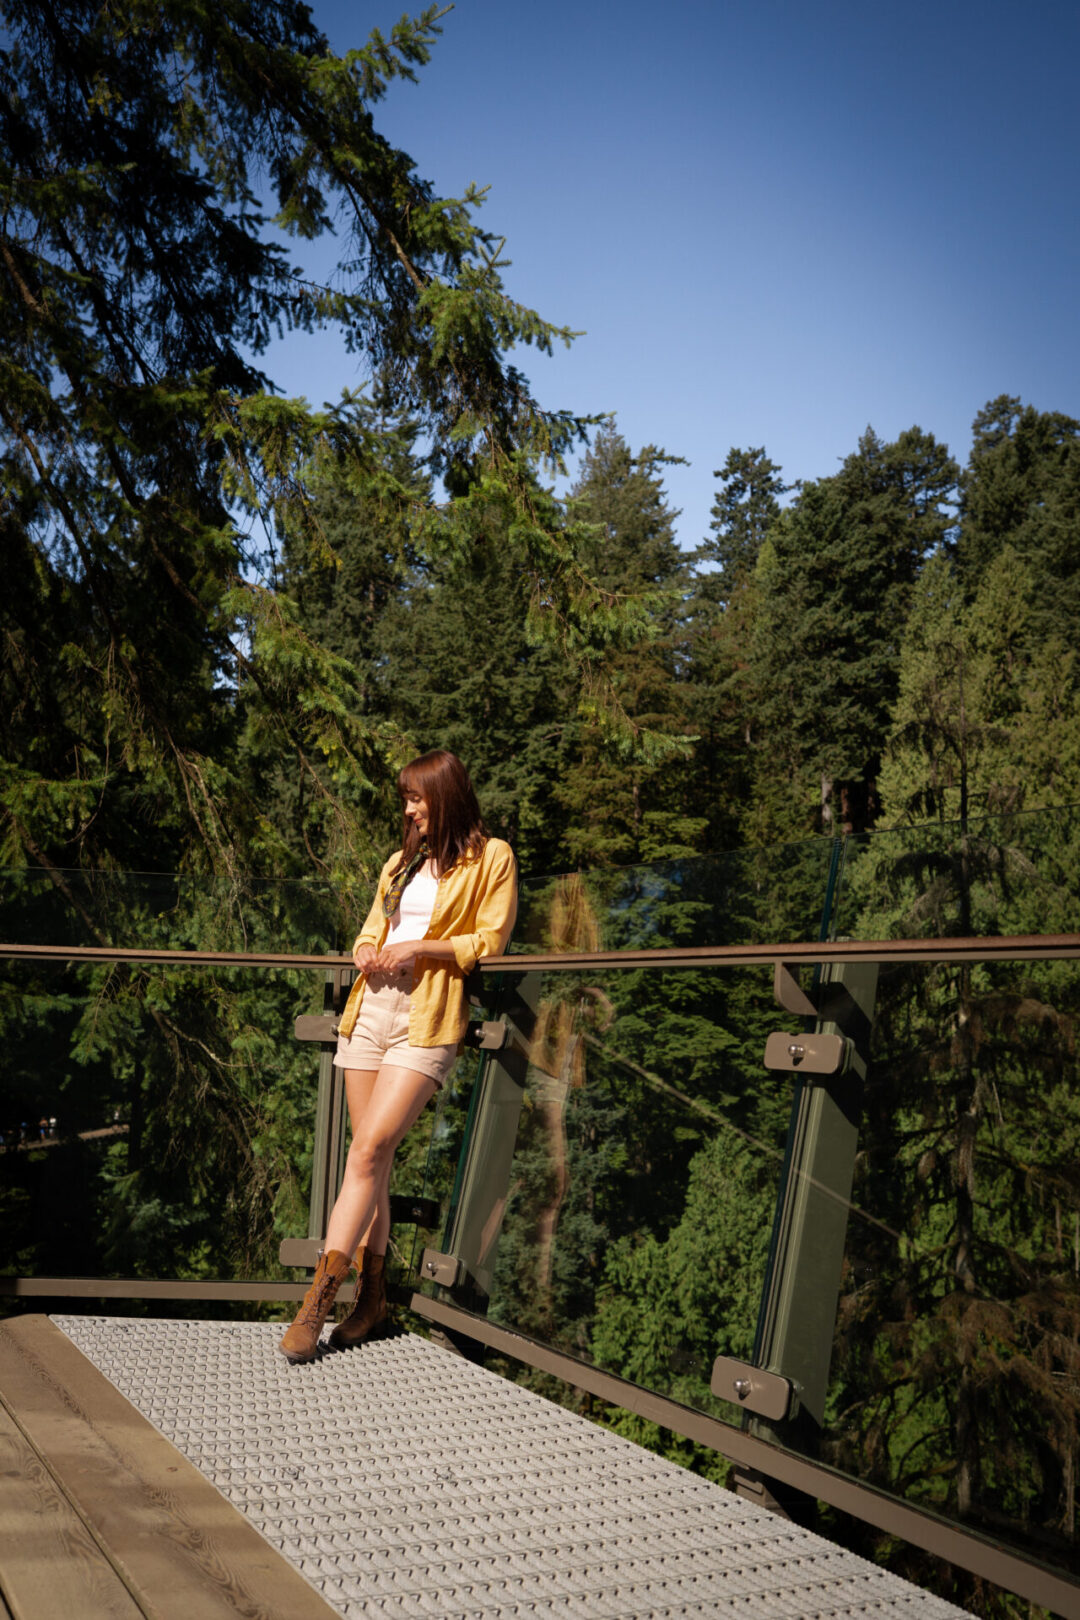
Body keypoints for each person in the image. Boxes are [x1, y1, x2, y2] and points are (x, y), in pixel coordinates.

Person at [279, 749, 517, 1362]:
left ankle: (316, 1303)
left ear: (445, 794)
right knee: (373, 1162)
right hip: (369, 1010)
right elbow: (372, 926)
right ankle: (372, 1299)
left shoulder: (492, 857)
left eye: (416, 798)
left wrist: (421, 948)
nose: (409, 810)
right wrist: (366, 950)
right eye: (406, 800)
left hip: (426, 1015)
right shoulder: (400, 861)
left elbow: (489, 939)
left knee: (365, 1153)